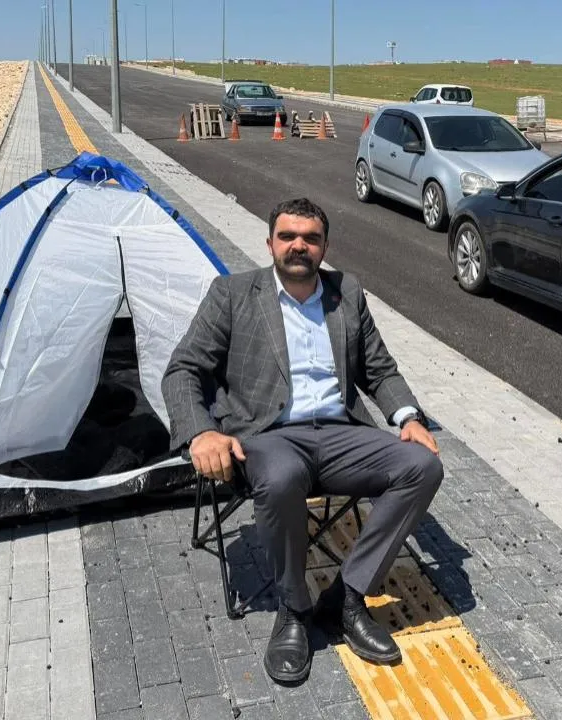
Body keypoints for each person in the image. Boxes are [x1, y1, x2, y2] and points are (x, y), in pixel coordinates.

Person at [161, 197, 444, 684]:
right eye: (288, 236)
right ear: (270, 243)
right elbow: (183, 369)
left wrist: (408, 416)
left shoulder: (346, 292)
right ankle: (293, 608)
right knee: (282, 477)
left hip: (339, 431)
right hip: (267, 435)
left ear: (324, 247)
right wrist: (202, 431)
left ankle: (347, 597)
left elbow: (379, 369)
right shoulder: (232, 293)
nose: (299, 245)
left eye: (311, 238)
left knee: (423, 466)